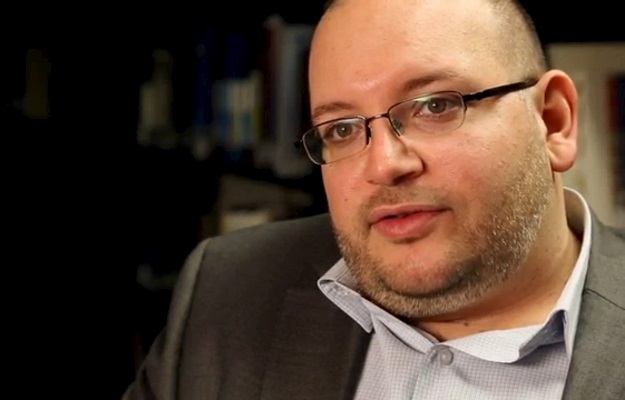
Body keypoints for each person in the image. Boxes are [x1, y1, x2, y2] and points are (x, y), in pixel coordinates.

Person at [123, 0, 625, 398]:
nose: (384, 164)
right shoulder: (229, 289)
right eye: (341, 128)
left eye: (436, 106)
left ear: (553, 122)